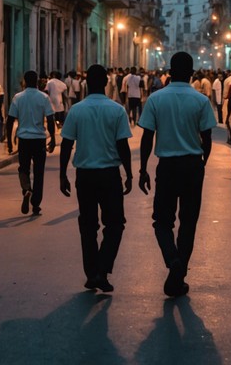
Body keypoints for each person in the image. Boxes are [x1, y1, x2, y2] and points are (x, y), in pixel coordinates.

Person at [138, 51, 217, 297]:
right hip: (193, 165)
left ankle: (172, 260)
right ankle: (179, 271)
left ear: (170, 72)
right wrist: (202, 161)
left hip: (168, 166)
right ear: (192, 73)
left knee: (162, 221)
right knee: (188, 222)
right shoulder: (201, 100)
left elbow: (147, 137)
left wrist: (142, 169)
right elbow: (207, 137)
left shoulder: (156, 99)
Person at [59, 64, 133, 293]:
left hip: (85, 175)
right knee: (115, 224)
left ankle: (92, 273)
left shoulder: (77, 110)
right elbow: (123, 145)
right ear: (105, 83)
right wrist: (129, 174)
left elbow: (66, 144)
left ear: (87, 83)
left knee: (88, 225)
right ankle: (102, 269)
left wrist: (62, 174)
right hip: (110, 175)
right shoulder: (117, 110)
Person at [7, 70, 56, 215]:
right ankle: (35, 204)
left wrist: (9, 141)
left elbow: (10, 120)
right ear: (37, 82)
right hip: (39, 140)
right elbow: (51, 119)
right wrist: (52, 138)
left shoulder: (17, 98)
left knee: (23, 168)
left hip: (24, 140)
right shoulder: (44, 97)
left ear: (24, 81)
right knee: (39, 172)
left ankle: (26, 189)